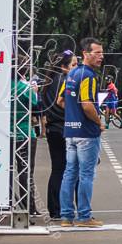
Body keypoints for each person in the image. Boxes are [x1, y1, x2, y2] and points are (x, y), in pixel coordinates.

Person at [60, 38, 106, 228]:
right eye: (97, 53)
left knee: (69, 173)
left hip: (70, 132)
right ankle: (85, 216)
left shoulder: (72, 73)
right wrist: (99, 122)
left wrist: (73, 115)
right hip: (86, 133)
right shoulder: (88, 75)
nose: (101, 56)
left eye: (102, 53)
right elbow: (87, 105)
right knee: (86, 175)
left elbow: (60, 101)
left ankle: (66, 217)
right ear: (86, 54)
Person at [42, 50, 77, 220]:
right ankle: (65, 207)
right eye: (74, 65)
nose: (77, 68)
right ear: (64, 67)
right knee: (71, 170)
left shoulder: (48, 82)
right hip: (65, 129)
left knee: (57, 169)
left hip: (52, 129)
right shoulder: (67, 82)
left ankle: (54, 209)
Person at [12, 58, 40, 217]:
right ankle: (28, 207)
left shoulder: (1, 87)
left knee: (6, 171)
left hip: (6, 135)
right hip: (24, 134)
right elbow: (36, 105)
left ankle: (5, 204)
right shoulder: (25, 88)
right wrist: (34, 91)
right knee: (25, 171)